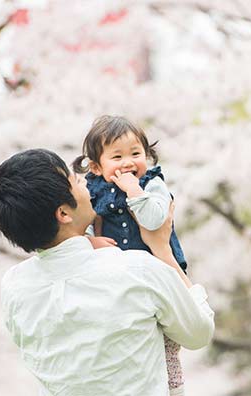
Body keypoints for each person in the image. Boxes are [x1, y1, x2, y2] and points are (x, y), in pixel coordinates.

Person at [0, 148, 214, 396]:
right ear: (63, 213)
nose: (84, 182)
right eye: (75, 181)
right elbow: (199, 333)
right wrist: (163, 251)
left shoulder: (15, 287)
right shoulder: (137, 270)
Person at [72, 115, 188, 393]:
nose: (128, 163)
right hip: (120, 278)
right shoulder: (93, 192)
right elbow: (81, 229)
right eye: (117, 157)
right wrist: (93, 242)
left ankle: (173, 388)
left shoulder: (152, 184)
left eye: (135, 154)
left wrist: (134, 190)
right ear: (97, 168)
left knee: (168, 336)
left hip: (160, 270)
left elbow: (153, 220)